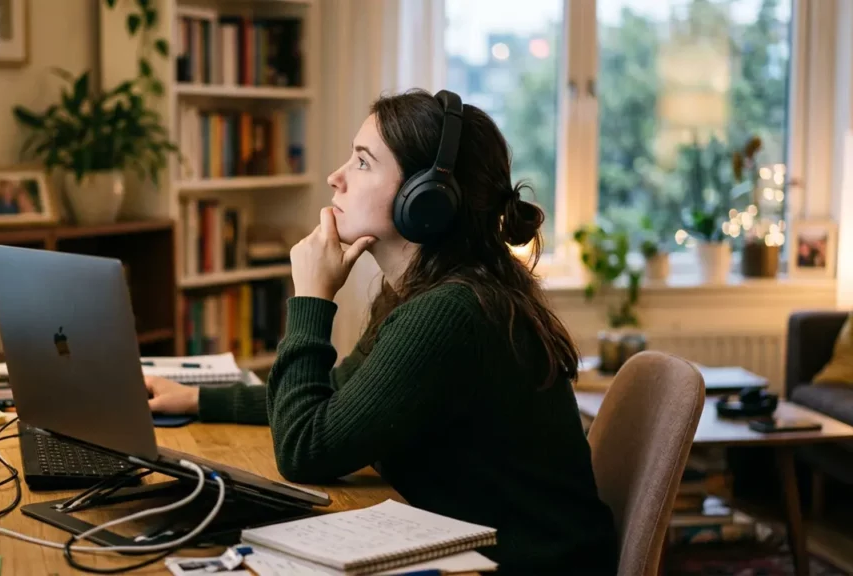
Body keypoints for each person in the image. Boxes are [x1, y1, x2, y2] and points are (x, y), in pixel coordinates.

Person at [146, 89, 619, 574]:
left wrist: (311, 299)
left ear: (427, 199)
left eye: (363, 162)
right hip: (467, 552)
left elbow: (304, 450)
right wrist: (197, 399)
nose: (336, 177)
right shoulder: (426, 292)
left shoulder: (452, 313)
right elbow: (336, 395)